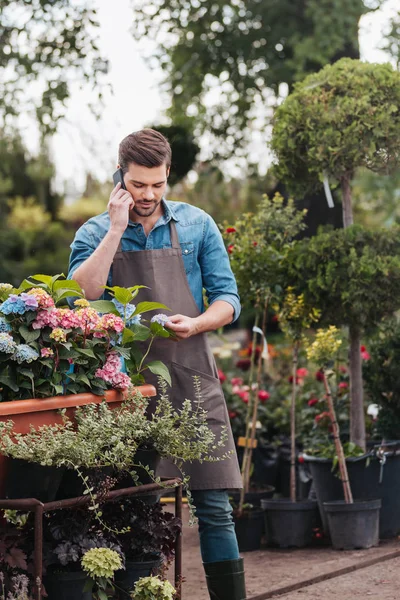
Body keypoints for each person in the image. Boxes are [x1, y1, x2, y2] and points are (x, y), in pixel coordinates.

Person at [68, 128, 246, 600]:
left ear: (168, 176)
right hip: (126, 386)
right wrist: (114, 229)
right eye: (138, 185)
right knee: (134, 504)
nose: (147, 195)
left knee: (214, 505)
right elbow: (81, 295)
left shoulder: (197, 225)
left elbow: (229, 298)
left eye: (157, 185)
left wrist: (201, 322)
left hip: (191, 372)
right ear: (120, 176)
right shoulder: (94, 231)